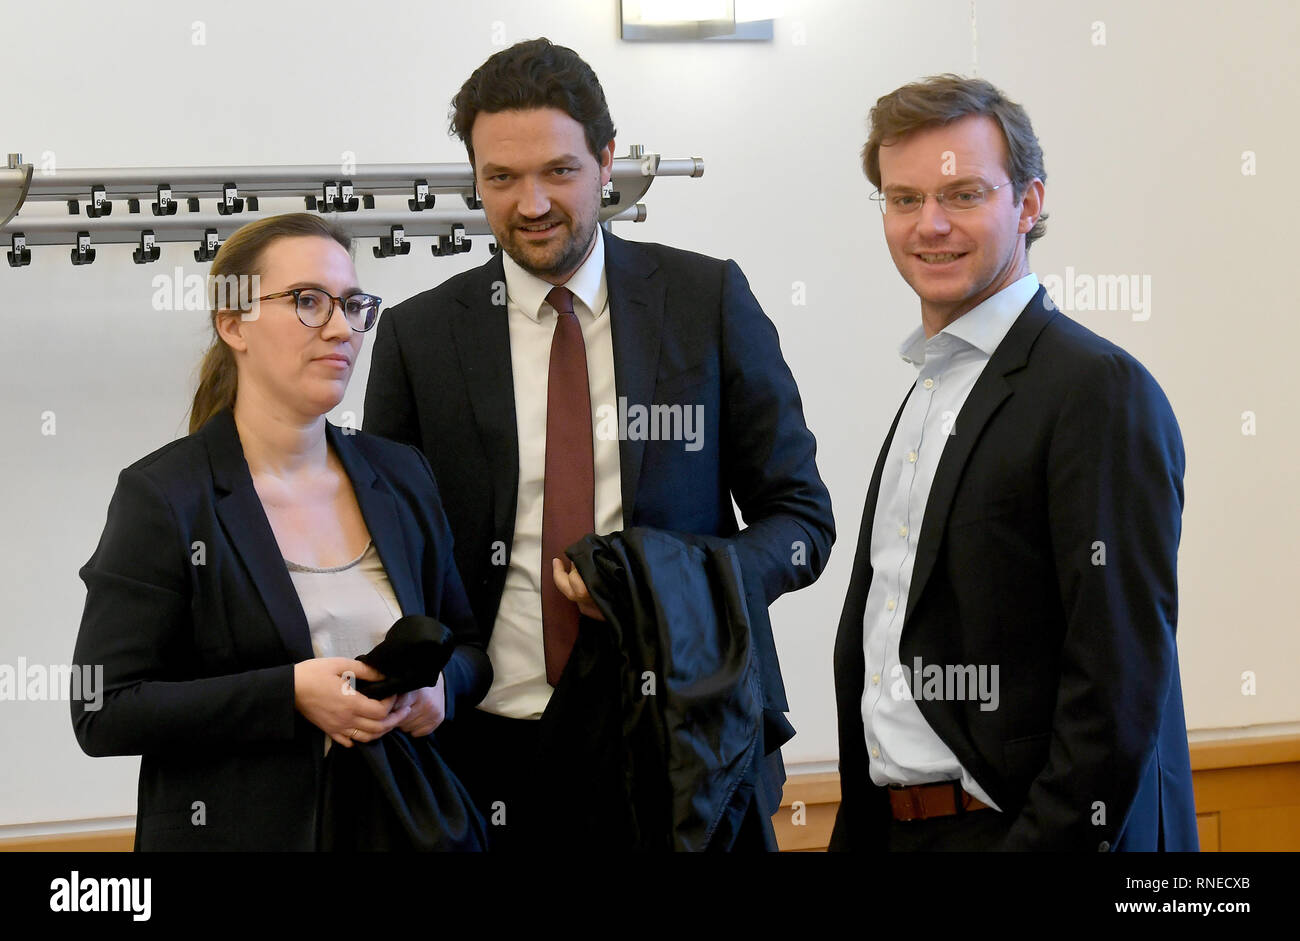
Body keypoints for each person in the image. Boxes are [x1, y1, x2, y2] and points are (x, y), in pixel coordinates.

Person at [363, 37, 835, 850]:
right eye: (500, 178)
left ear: (607, 160)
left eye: (559, 171)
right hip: (482, 757)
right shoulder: (417, 336)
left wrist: (662, 586)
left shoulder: (706, 299)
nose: (532, 202)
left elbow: (800, 523)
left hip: (686, 747)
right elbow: (385, 550)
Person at [830, 74, 1197, 851]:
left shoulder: (1096, 389)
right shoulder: (933, 384)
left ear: (1028, 204)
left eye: (962, 194)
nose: (929, 224)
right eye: (903, 199)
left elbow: (1117, 681)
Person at [71, 213, 491, 850]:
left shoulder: (400, 475)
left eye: (353, 305)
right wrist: (288, 693)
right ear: (233, 323)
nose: (341, 328)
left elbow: (469, 648)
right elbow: (104, 709)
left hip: (403, 828)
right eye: (307, 302)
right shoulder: (166, 496)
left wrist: (442, 686)